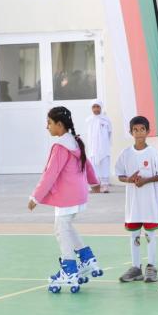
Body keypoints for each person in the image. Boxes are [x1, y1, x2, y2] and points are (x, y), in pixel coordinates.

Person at [28, 106, 103, 294]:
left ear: (59, 125)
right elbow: (88, 164)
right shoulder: (75, 141)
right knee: (66, 226)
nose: (47, 127)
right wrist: (94, 182)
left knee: (60, 230)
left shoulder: (61, 146)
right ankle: (86, 258)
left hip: (67, 196)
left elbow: (50, 174)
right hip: (79, 195)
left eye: (49, 123)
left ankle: (69, 270)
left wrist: (35, 197)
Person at [115, 116, 158, 283]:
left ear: (148, 131)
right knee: (134, 235)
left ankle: (151, 267)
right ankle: (136, 267)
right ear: (131, 132)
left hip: (149, 202)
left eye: (142, 129)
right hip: (133, 203)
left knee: (150, 234)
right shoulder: (126, 153)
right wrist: (129, 179)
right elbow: (120, 175)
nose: (139, 133)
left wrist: (145, 180)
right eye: (135, 130)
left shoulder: (152, 153)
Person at [86, 99, 112, 193]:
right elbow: (88, 134)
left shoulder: (106, 120)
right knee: (93, 166)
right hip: (93, 147)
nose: (96, 109)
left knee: (104, 165)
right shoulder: (89, 120)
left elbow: (110, 133)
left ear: (101, 108)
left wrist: (105, 144)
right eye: (94, 107)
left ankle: (105, 185)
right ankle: (95, 185)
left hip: (104, 147)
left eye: (98, 107)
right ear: (91, 108)